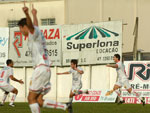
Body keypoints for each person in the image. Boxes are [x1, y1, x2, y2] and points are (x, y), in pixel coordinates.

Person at [18, 3, 69, 113]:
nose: (20, 31)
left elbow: (31, 26)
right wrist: (35, 15)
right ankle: (65, 107)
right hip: (45, 69)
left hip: (40, 69)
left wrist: (27, 13)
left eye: (20, 28)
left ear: (24, 26)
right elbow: (35, 25)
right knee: (39, 100)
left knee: (31, 98)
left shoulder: (32, 33)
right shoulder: (37, 33)